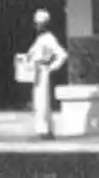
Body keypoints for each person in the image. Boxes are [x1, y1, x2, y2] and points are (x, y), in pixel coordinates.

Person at [27, 8, 67, 140]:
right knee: (39, 102)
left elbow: (62, 55)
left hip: (43, 72)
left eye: (39, 23)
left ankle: (44, 131)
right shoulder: (40, 39)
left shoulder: (49, 38)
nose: (36, 26)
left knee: (42, 102)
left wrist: (51, 68)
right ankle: (45, 130)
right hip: (37, 72)